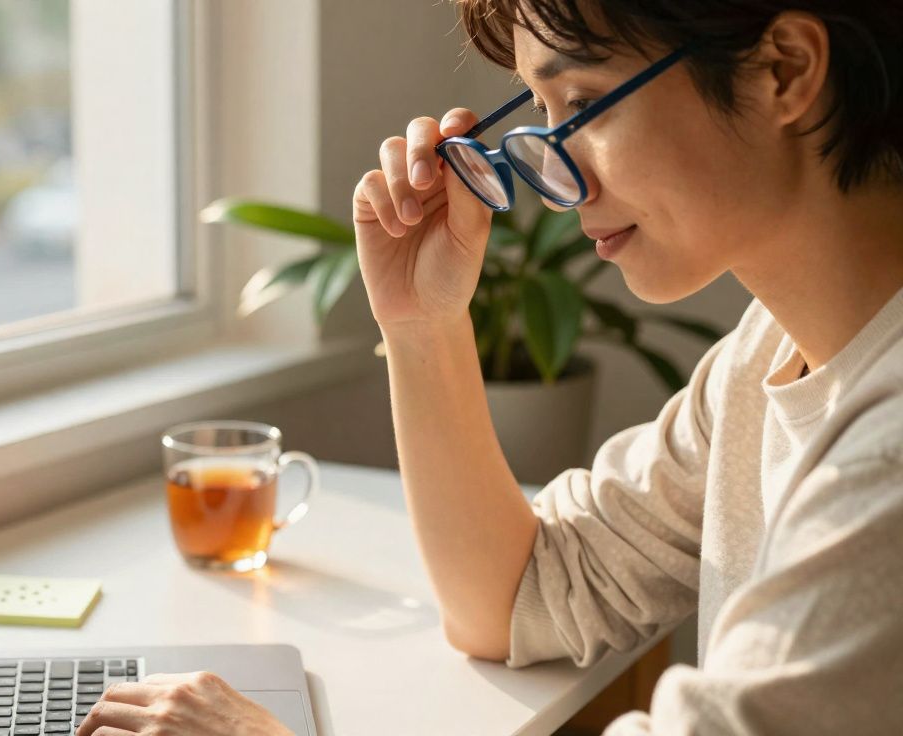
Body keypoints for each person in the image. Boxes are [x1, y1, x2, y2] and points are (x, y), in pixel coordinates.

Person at [76, 0, 903, 733]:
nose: (558, 183)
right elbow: (513, 600)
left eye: (581, 103)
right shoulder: (769, 357)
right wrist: (422, 324)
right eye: (541, 114)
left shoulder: (886, 458)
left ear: (781, 70)